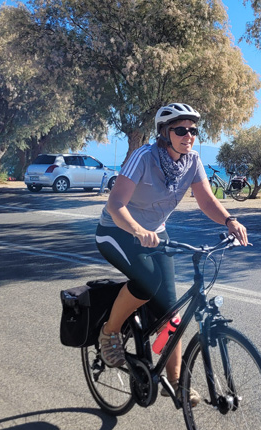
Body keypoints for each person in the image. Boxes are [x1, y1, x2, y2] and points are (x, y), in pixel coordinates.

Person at [94, 102, 248, 403]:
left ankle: (176, 382)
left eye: (193, 130)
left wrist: (230, 221)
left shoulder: (192, 161)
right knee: (147, 283)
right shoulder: (144, 157)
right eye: (180, 130)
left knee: (170, 313)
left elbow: (206, 201)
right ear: (164, 132)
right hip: (117, 230)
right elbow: (115, 204)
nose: (188, 136)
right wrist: (137, 230)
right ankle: (109, 332)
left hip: (156, 234)